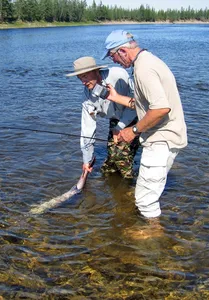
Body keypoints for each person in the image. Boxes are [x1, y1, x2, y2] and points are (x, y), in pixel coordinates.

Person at [102, 30, 188, 219]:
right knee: (148, 193)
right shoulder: (147, 61)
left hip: (161, 140)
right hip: (168, 137)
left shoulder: (143, 69)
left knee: (145, 200)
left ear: (123, 51)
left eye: (113, 56)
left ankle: (151, 240)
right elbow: (143, 104)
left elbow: (160, 109)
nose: (114, 61)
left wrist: (133, 131)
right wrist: (116, 97)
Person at [66, 56, 139, 179]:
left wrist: (120, 127)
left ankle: (130, 190)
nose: (83, 82)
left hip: (137, 115)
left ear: (96, 71)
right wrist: (87, 160)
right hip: (116, 120)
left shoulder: (118, 75)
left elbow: (137, 105)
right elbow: (87, 130)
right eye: (79, 78)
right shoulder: (86, 98)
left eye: (84, 76)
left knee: (121, 158)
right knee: (109, 167)